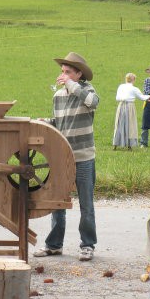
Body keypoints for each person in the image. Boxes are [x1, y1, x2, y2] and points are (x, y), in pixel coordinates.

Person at [34, 52, 99, 261]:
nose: (63, 75)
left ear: (79, 74)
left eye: (68, 72)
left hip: (83, 156)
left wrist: (71, 85)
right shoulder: (58, 96)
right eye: (62, 72)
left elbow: (93, 102)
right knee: (58, 201)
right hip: (62, 156)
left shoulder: (87, 90)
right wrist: (46, 122)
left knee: (86, 204)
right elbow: (60, 123)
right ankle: (54, 245)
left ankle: (87, 245)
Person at [112, 73, 150, 150]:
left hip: (121, 105)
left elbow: (117, 97)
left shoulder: (121, 86)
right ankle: (129, 145)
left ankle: (116, 144)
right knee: (130, 124)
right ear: (133, 79)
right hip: (130, 106)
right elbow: (142, 97)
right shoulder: (134, 89)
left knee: (119, 123)